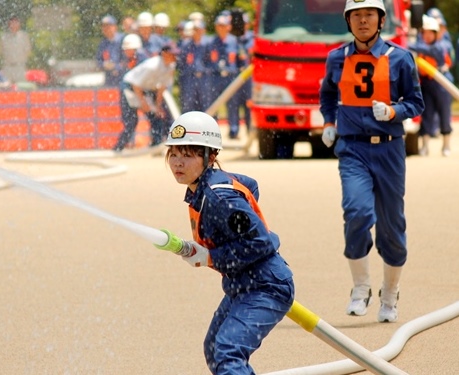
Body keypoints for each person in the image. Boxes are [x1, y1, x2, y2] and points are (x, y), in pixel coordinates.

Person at [161, 110, 294, 374]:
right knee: (214, 349)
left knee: (227, 353)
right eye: (174, 154)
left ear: (210, 156)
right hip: (242, 285)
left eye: (188, 155)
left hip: (266, 287)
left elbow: (261, 242)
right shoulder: (207, 189)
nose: (178, 162)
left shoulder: (219, 197)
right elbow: (249, 185)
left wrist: (211, 256)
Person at [319, 0, 424, 323]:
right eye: (356, 15)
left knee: (392, 226)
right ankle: (360, 286)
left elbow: (416, 103)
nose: (363, 21)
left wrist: (394, 111)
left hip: (390, 149)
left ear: (381, 20)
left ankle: (390, 293)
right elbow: (327, 95)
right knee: (357, 212)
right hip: (352, 149)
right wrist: (328, 122)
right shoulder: (337, 58)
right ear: (348, 21)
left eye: (369, 15)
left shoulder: (401, 59)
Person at [113, 42, 179, 151]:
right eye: (173, 54)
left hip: (147, 89)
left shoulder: (171, 66)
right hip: (130, 87)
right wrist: (143, 103)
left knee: (157, 116)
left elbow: (162, 87)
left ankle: (155, 146)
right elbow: (136, 85)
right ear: (165, 54)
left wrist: (157, 106)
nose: (175, 57)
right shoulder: (152, 65)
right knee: (132, 121)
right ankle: (118, 148)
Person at [409, 15, 453, 157]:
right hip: (426, 83)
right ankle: (425, 146)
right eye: (425, 33)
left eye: (430, 32)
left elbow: (427, 50)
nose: (427, 36)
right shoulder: (421, 46)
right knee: (426, 114)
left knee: (444, 115)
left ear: (435, 33)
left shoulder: (440, 46)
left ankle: (446, 146)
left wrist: (408, 44)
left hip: (441, 84)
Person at [205, 14, 240, 139]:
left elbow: (239, 58)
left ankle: (234, 130)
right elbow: (206, 59)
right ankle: (212, 131)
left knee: (232, 104)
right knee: (214, 104)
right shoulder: (211, 42)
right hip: (215, 77)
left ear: (228, 27)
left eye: (223, 26)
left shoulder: (234, 40)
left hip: (230, 76)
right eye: (219, 26)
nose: (221, 28)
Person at [114, 33, 148, 150]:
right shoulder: (126, 60)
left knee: (154, 116)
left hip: (142, 92)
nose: (126, 52)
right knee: (131, 122)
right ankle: (119, 147)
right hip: (128, 94)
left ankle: (158, 141)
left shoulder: (142, 59)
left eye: (128, 49)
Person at [178, 20, 210, 113]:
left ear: (203, 30)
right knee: (188, 104)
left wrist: (205, 70)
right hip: (189, 78)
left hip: (203, 78)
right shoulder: (186, 45)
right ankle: (187, 126)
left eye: (199, 29)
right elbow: (181, 62)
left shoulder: (207, 44)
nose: (197, 32)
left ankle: (205, 127)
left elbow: (210, 60)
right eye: (195, 29)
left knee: (205, 104)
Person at [0, 15, 32, 83]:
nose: (14, 25)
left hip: (19, 67)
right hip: (8, 67)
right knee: (6, 87)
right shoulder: (4, 37)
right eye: (12, 22)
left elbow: (27, 51)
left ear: (19, 24)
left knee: (20, 88)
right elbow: (2, 51)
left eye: (16, 22)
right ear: (9, 24)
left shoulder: (24, 36)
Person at [95, 15, 124, 87]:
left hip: (123, 78)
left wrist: (116, 66)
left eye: (108, 26)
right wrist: (104, 64)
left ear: (115, 27)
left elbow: (128, 58)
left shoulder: (122, 40)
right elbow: (98, 60)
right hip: (110, 79)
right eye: (104, 26)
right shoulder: (103, 44)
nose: (106, 29)